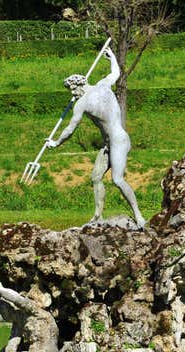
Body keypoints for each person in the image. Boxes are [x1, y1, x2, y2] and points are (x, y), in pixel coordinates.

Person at [46, 48, 146, 228]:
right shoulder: (103, 84)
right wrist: (112, 58)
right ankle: (98, 215)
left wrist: (56, 142)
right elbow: (115, 72)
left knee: (117, 180)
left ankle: (139, 216)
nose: (72, 94)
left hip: (118, 141)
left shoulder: (82, 103)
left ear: (78, 85)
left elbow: (70, 129)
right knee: (96, 177)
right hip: (109, 144)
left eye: (71, 89)